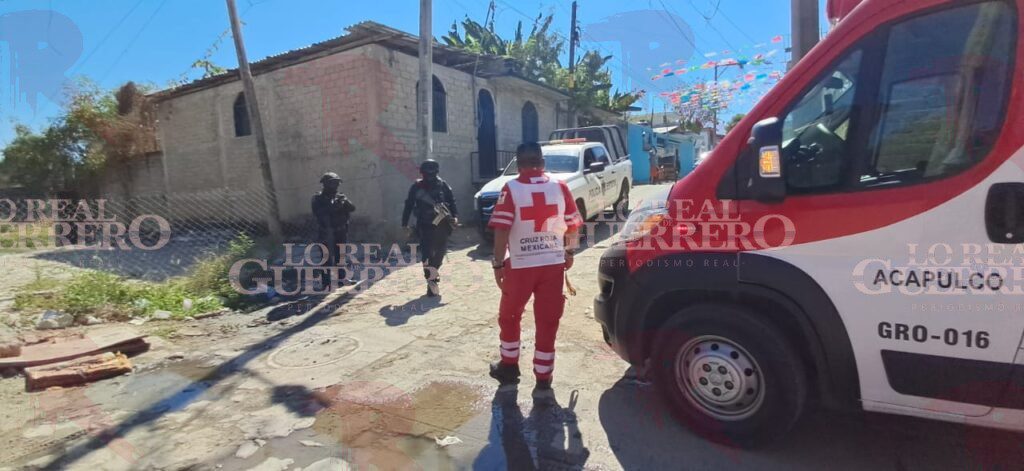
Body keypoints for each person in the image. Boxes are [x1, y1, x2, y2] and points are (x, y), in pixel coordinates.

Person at [487, 142, 582, 398]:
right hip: (552, 266)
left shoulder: (511, 189)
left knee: (510, 317)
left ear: (518, 164)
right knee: (548, 321)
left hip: (519, 266)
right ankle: (543, 378)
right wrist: (569, 253)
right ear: (543, 162)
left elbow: (502, 229)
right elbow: (573, 225)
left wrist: (497, 263)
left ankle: (509, 368)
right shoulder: (560, 187)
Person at [401, 159, 458, 297]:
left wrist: (455, 216)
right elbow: (408, 205)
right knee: (426, 255)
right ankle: (431, 279)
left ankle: (433, 274)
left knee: (440, 253)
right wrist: (404, 224)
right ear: (422, 173)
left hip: (442, 226)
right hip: (425, 225)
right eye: (427, 173)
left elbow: (452, 201)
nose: (429, 175)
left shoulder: (443, 185)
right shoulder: (417, 187)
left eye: (432, 172)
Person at [311, 172, 356, 284]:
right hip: (326, 232)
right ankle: (326, 283)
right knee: (326, 258)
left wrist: (344, 202)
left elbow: (352, 208)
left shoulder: (340, 196)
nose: (335, 186)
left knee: (340, 256)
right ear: (325, 184)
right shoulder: (318, 198)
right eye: (332, 183)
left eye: (337, 183)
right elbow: (319, 213)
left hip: (340, 230)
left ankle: (342, 279)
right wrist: (333, 206)